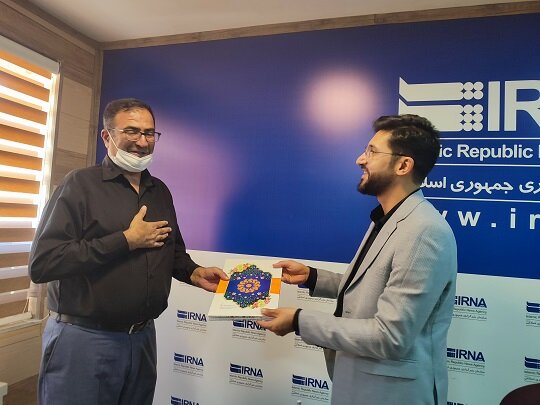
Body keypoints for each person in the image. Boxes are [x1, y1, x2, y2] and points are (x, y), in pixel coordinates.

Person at [29, 98, 227, 405]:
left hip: (142, 339)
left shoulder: (159, 191)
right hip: (84, 339)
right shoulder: (79, 185)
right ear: (107, 136)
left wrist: (194, 272)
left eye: (149, 133)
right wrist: (125, 240)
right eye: (132, 131)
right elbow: (44, 263)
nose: (142, 141)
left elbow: (172, 250)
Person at [259, 114, 457, 405]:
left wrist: (299, 321)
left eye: (372, 152)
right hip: (360, 382)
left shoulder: (424, 231)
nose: (360, 160)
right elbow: (373, 286)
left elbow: (390, 336)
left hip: (391, 395)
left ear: (403, 166)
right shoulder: (390, 218)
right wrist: (312, 277)